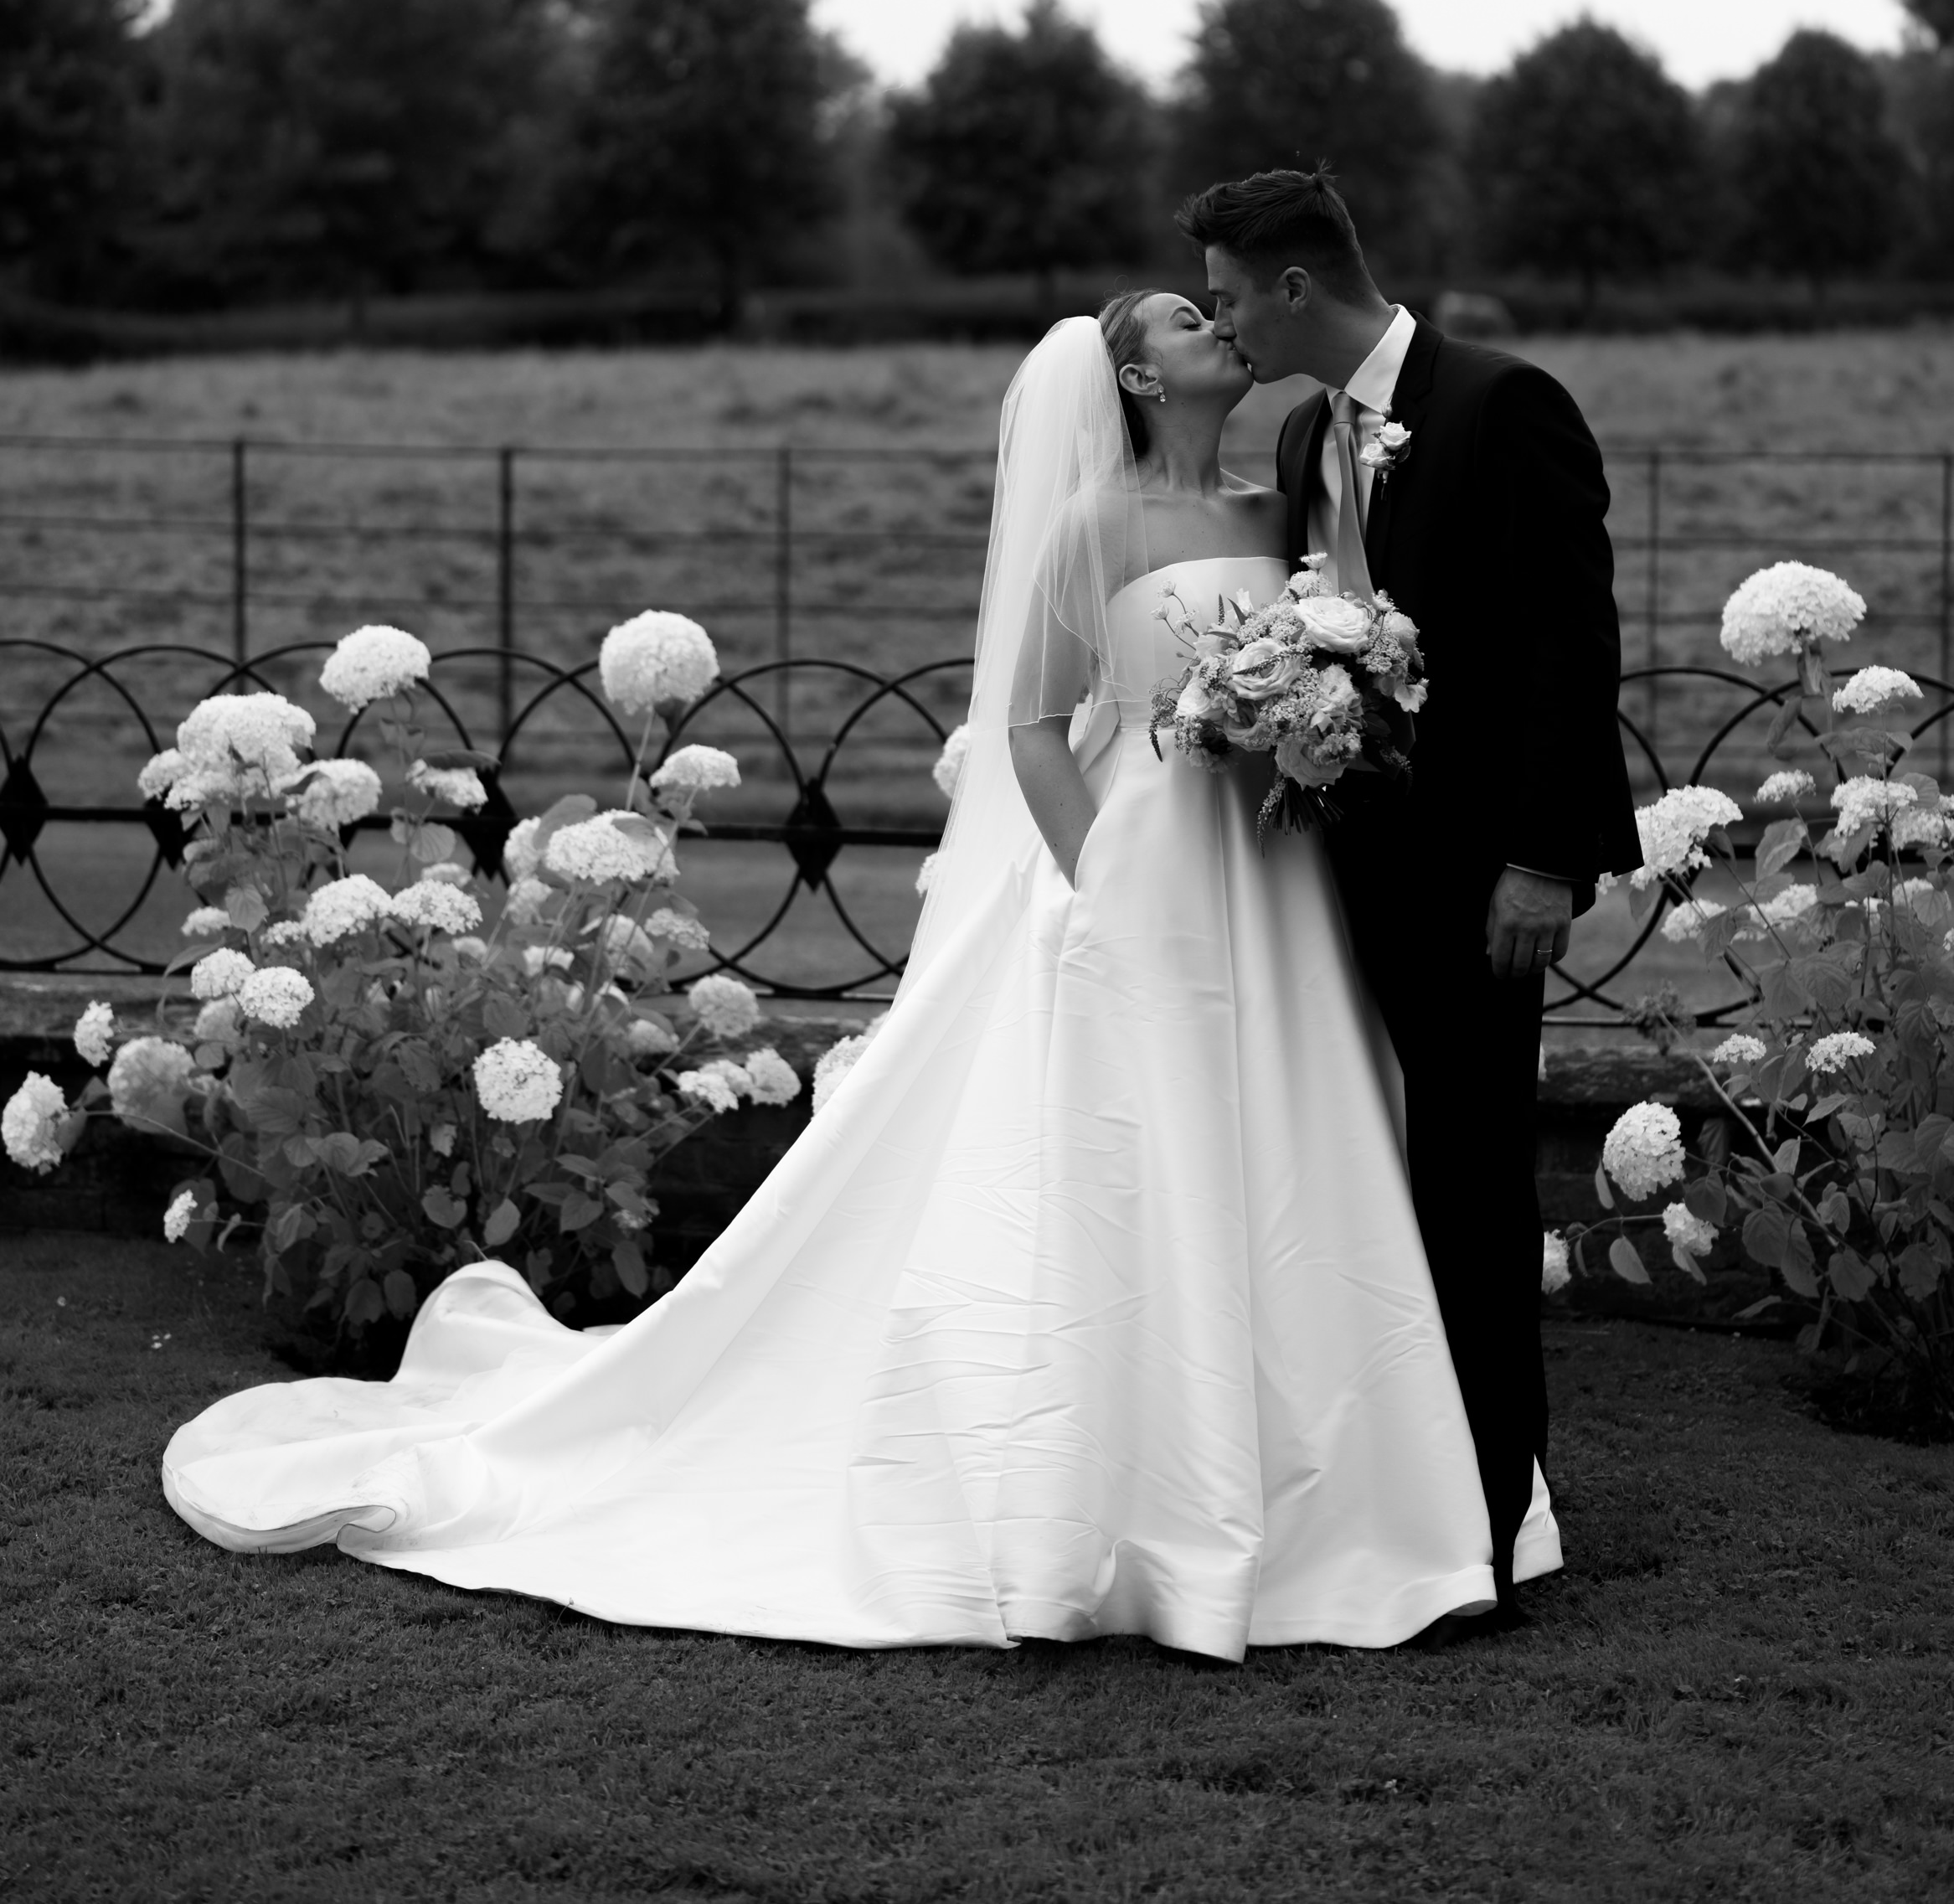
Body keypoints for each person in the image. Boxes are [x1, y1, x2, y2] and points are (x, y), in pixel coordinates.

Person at [162, 302, 1525, 1655]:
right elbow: (1038, 731)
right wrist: (1097, 874)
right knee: (1141, 1144)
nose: (1218, 323)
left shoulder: (1278, 495)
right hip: (1149, 864)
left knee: (1295, 1131)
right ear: (1130, 371)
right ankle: (1131, 1489)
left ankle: (1344, 1488)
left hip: (1277, 868)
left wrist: (1318, 719)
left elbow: (1333, 640)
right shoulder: (1091, 525)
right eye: (1186, 318)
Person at [1182, 164, 1641, 1613]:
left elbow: (1572, 644)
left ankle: (1495, 1508)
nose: (1219, 317)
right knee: (1365, 1168)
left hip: (1481, 878)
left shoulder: (1506, 403)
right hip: (1349, 868)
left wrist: (1543, 861)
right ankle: (1394, 1476)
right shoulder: (1312, 424)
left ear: (1295, 288)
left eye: (1227, 293)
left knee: (1467, 1175)